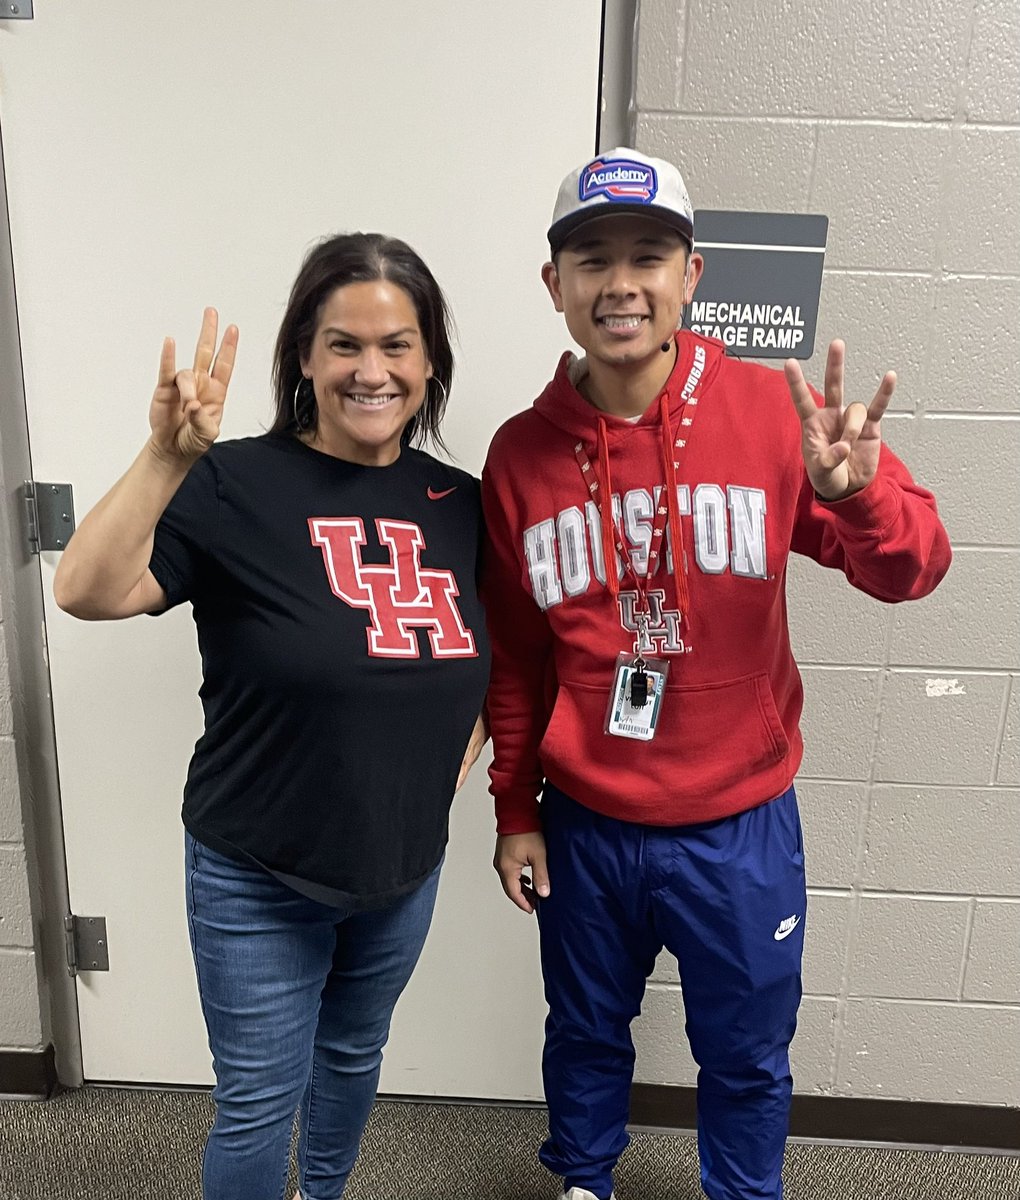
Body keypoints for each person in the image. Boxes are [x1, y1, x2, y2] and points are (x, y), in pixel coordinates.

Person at [481, 148, 951, 1200]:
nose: (621, 283)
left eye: (650, 255)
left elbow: (916, 568)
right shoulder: (519, 455)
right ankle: (584, 1181)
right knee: (586, 1032)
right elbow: (514, 658)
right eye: (592, 258)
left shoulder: (778, 416)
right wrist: (516, 809)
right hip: (586, 821)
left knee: (743, 1055)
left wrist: (859, 494)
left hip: (738, 823)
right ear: (554, 285)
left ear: (691, 277)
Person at [54, 233, 490, 1200]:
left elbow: (502, 655)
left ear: (429, 362)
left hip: (400, 868)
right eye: (344, 345)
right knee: (258, 1099)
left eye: (397, 346)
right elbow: (86, 590)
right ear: (304, 355)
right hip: (256, 868)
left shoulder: (465, 505)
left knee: (351, 1058)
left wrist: (466, 738)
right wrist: (165, 456)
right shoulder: (232, 481)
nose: (371, 371)